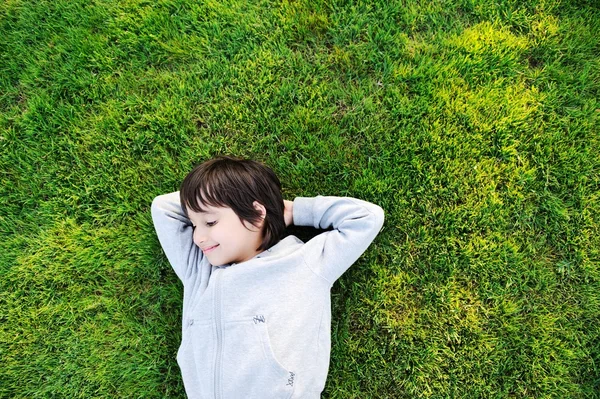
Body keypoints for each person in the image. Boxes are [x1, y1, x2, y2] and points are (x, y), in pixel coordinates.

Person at [151, 155, 385, 399]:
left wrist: (293, 210)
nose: (198, 237)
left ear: (256, 213)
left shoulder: (304, 263)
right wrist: (207, 200)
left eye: (210, 222)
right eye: (193, 224)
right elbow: (162, 208)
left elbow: (366, 218)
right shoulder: (198, 271)